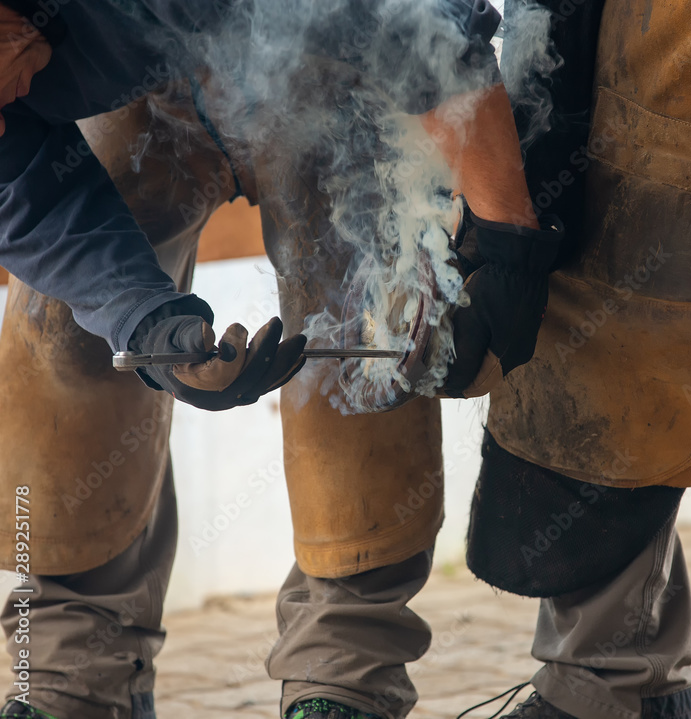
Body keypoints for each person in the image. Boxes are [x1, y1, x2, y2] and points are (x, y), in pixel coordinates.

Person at [0, 0, 560, 717]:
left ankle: (345, 674)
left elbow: (419, 20)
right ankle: (63, 673)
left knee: (354, 298)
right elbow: (29, 195)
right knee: (61, 333)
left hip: (328, 51)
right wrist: (153, 327)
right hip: (135, 80)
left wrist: (511, 246)